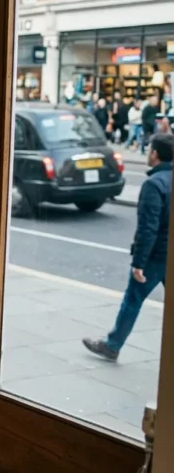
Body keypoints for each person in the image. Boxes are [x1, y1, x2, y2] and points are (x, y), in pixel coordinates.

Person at [83, 133, 172, 361]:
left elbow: (148, 228)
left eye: (149, 148)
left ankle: (112, 346)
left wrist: (139, 263)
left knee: (133, 299)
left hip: (156, 257)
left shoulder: (154, 184)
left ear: (154, 154)